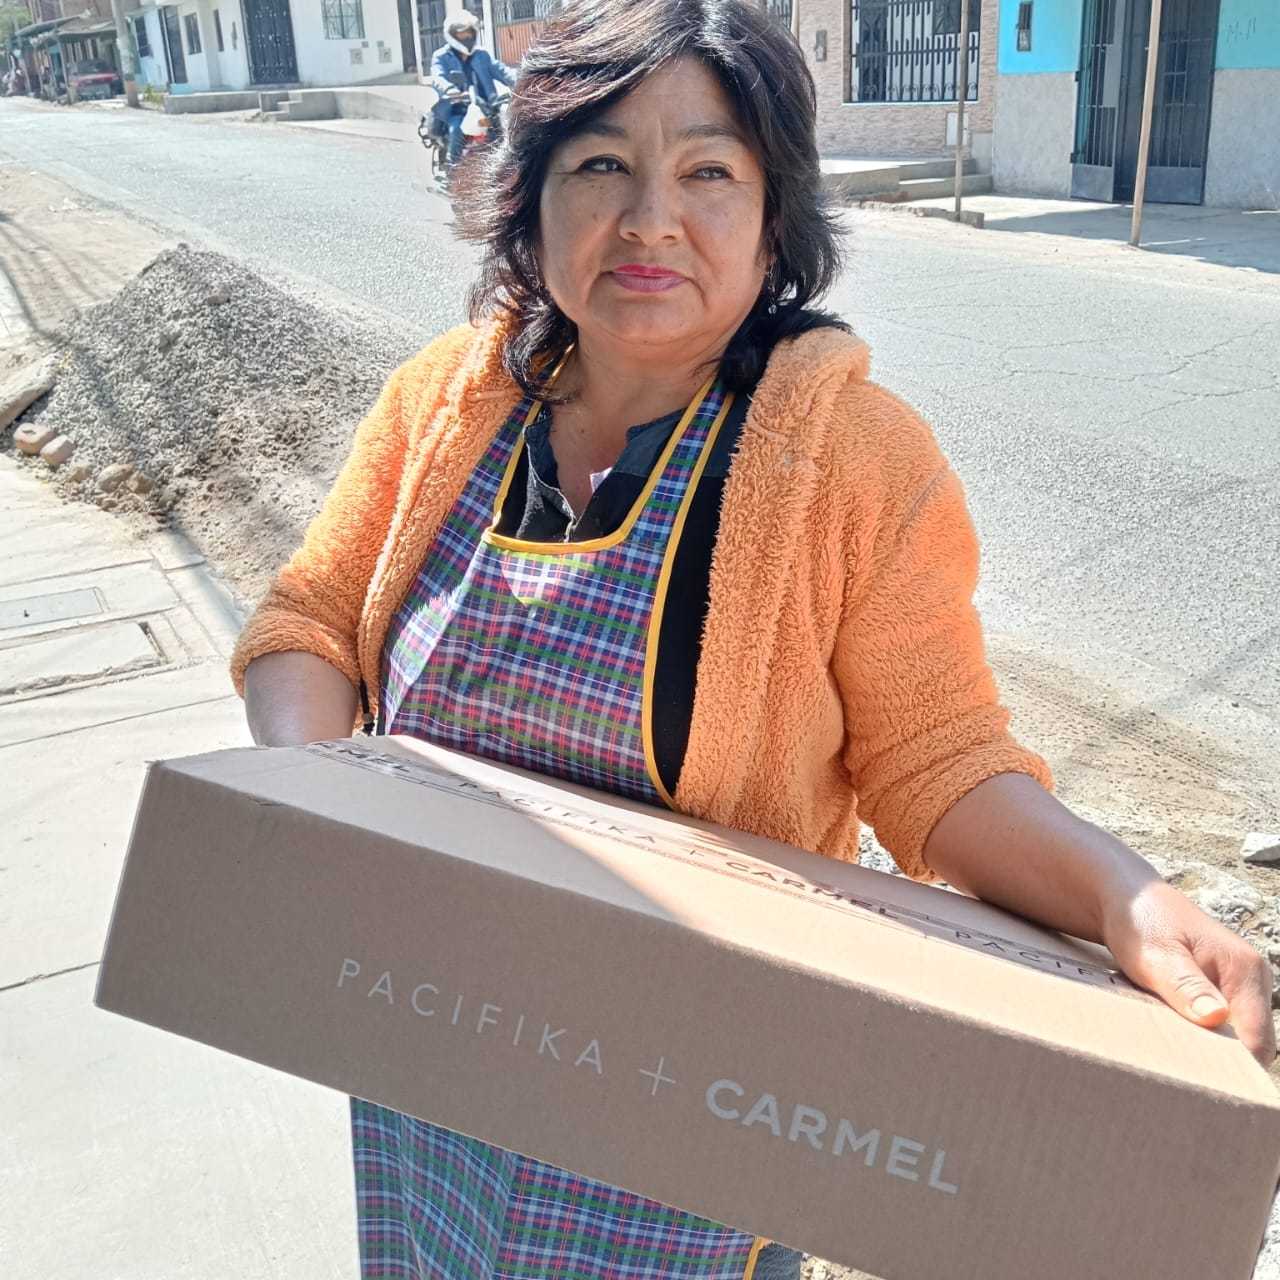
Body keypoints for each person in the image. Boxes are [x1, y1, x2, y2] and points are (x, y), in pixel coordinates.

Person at [232, 0, 1275, 1275]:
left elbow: (935, 759)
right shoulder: (445, 402)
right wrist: (316, 789)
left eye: (708, 171)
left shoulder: (847, 460)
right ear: (530, 202)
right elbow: (312, 616)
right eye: (599, 163)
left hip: (698, 1108)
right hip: (431, 1035)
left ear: (774, 216)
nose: (648, 220)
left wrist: (1124, 896)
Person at [429, 12, 515, 170]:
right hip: (458, 109)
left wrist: (522, 81)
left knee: (500, 136)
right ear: (451, 35)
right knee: (457, 130)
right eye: (462, 34)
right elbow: (437, 77)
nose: (467, 37)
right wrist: (449, 89)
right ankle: (452, 171)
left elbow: (502, 71)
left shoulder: (482, 55)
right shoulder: (441, 56)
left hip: (486, 109)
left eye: (469, 33)